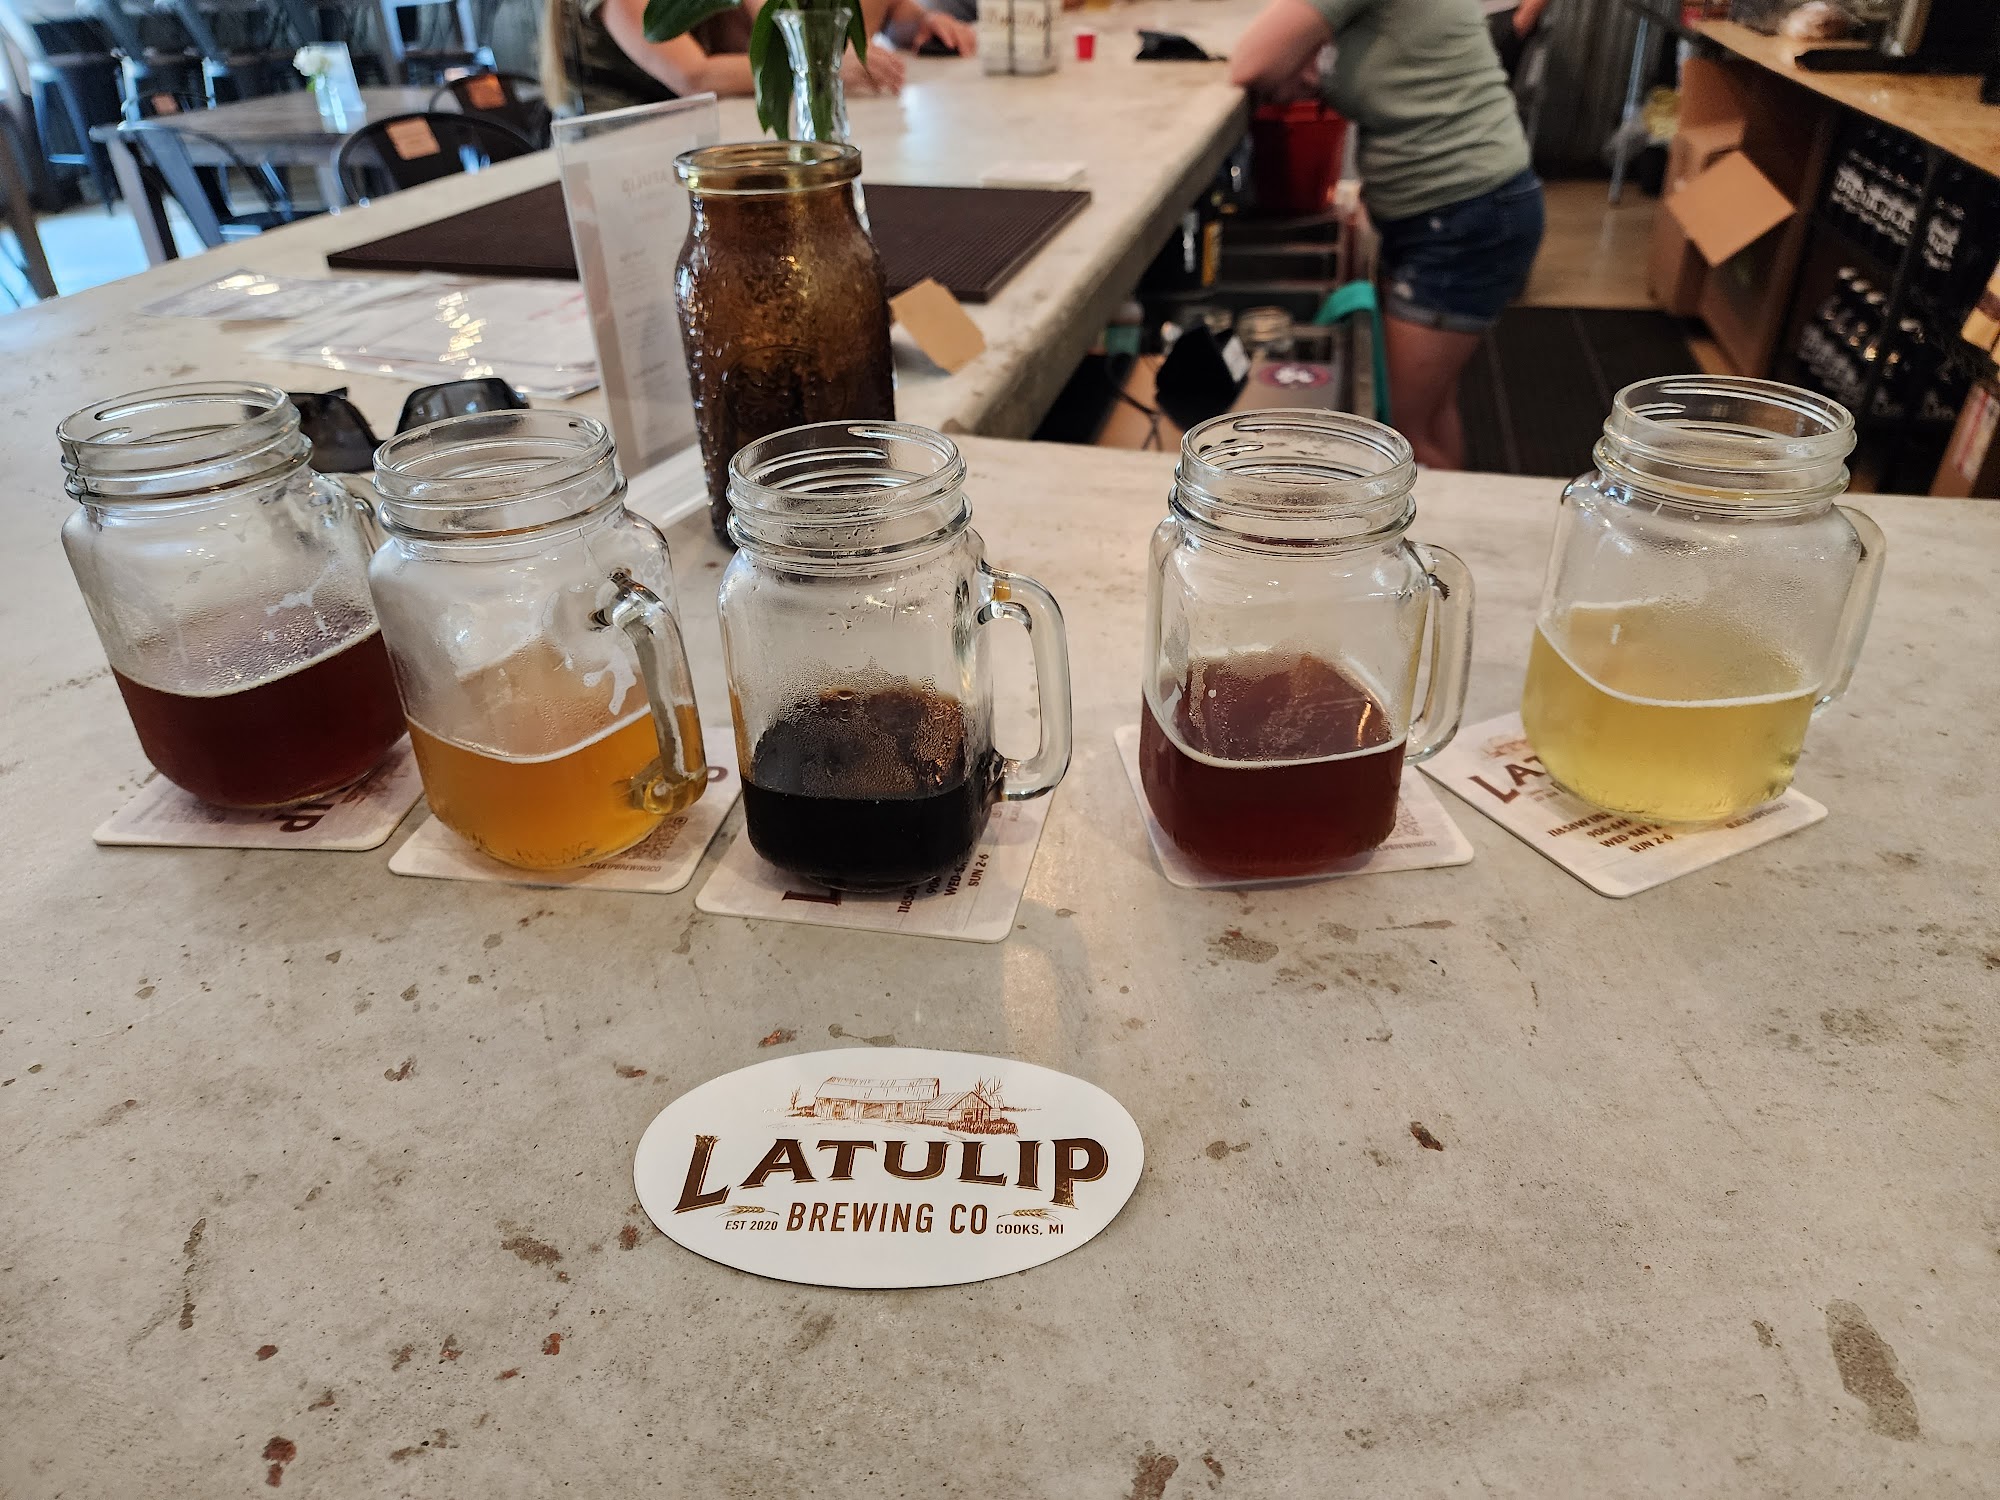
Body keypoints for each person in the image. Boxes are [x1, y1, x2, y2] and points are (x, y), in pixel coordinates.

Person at [1230, 0, 1545, 469]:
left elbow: (1249, 63)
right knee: (1432, 411)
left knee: (1406, 430)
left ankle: (1433, 515)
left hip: (1460, 215)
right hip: (1462, 207)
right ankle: (1443, 510)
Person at [542, 0, 974, 116]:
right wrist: (819, 62)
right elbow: (693, 76)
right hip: (613, 164)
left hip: (699, 139)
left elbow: (779, 19)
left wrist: (917, 21)